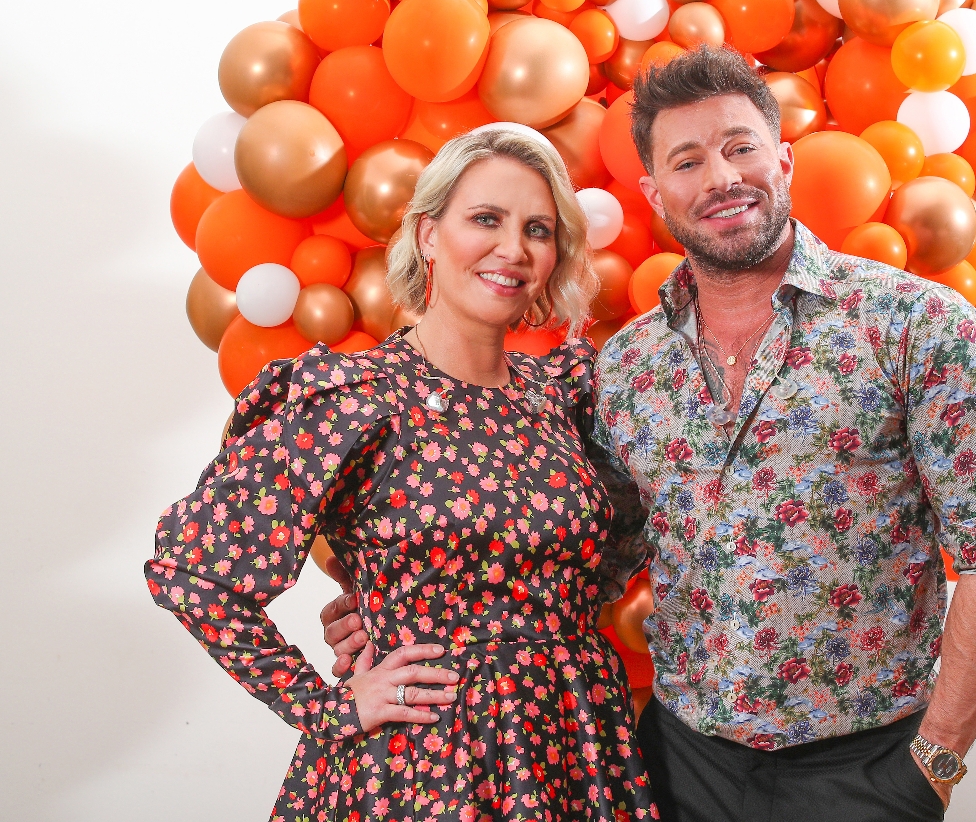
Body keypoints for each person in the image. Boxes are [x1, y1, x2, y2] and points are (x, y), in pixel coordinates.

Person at [325, 46, 976, 821]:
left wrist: (931, 764)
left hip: (867, 769)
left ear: (783, 158)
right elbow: (590, 552)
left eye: (740, 148)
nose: (720, 179)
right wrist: (405, 607)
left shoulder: (917, 325)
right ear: (655, 192)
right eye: (687, 161)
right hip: (679, 766)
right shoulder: (629, 365)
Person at [146, 124, 659, 822]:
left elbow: (612, 550)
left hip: (571, 746)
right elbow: (192, 569)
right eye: (486, 219)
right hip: (423, 762)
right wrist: (320, 703)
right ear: (427, 235)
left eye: (538, 229)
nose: (512, 249)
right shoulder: (355, 397)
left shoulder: (566, 394)